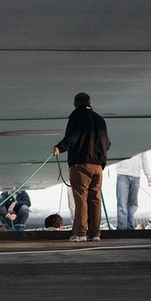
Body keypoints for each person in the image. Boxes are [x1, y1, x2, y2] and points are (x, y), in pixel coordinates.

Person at [53, 92, 110, 242]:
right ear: (89, 102)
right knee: (95, 199)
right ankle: (95, 234)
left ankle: (80, 233)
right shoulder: (99, 119)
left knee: (81, 199)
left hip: (81, 165)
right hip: (98, 166)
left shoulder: (76, 116)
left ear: (75, 103)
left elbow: (72, 138)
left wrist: (59, 147)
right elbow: (107, 143)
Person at [115, 152, 151, 230]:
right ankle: (122, 229)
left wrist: (149, 176)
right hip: (123, 173)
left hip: (136, 175)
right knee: (122, 204)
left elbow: (144, 160)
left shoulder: (142, 146)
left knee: (133, 204)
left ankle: (130, 227)